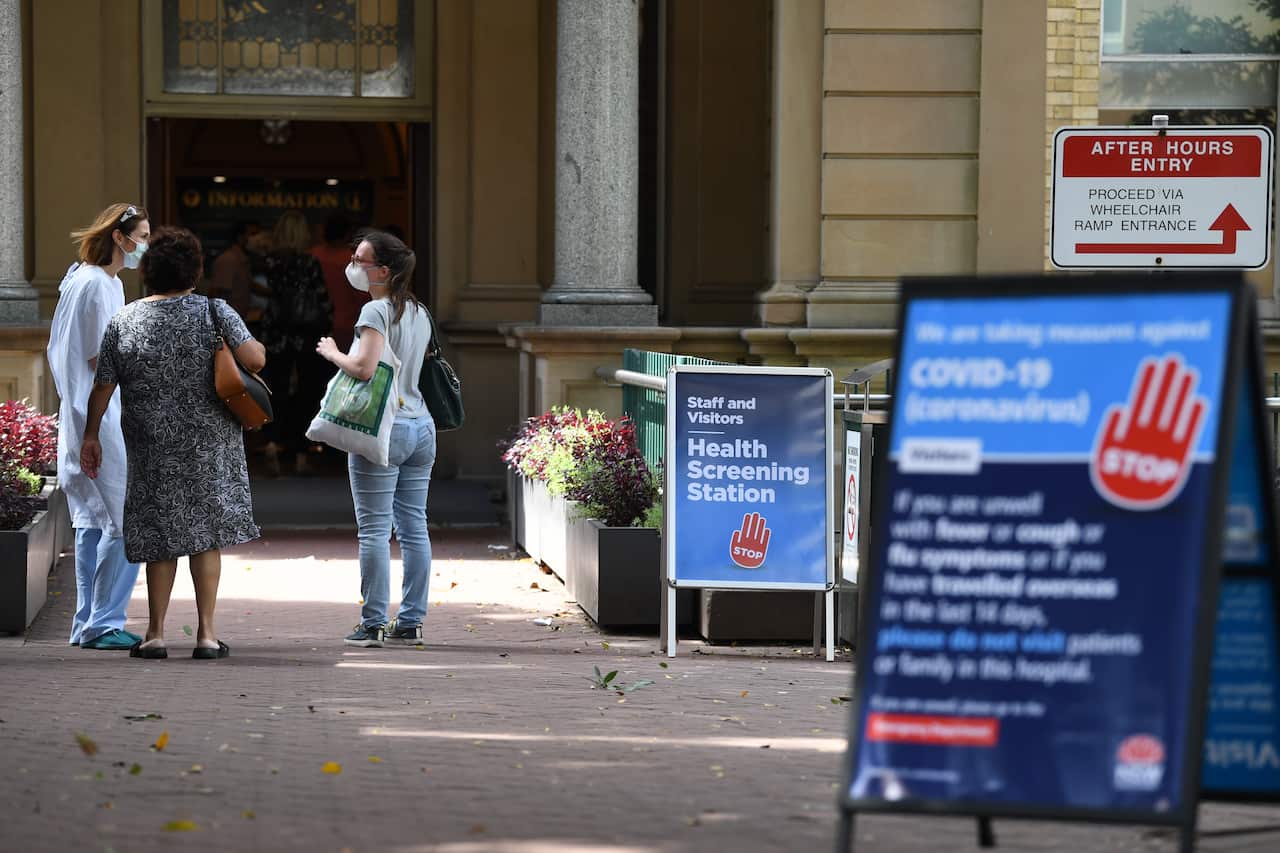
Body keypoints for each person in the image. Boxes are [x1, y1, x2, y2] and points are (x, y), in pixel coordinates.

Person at [80, 226, 266, 660]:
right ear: (196, 271)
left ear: (148, 272)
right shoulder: (214, 312)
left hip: (151, 443)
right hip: (210, 442)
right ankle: (205, 635)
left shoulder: (125, 319)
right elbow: (255, 359)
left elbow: (103, 386)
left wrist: (91, 435)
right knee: (205, 536)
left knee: (159, 536)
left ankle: (156, 634)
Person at [316, 229, 435, 648]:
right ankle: (411, 621)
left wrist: (332, 352)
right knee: (414, 527)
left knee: (373, 530)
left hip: (383, 429)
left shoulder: (375, 313)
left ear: (383, 271)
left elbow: (364, 369)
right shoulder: (419, 311)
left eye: (360, 260)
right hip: (421, 425)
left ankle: (372, 623)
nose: (352, 265)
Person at [45, 203, 148, 651]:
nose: (145, 244)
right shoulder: (99, 285)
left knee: (90, 519)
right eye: (141, 235)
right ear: (120, 237)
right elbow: (101, 356)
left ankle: (87, 620)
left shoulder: (83, 279)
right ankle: (104, 622)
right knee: (127, 518)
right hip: (100, 415)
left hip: (78, 409)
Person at [260, 210, 332, 476]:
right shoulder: (309, 261)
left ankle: (271, 442)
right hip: (305, 334)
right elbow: (321, 297)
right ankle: (301, 451)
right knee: (306, 391)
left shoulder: (271, 261)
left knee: (275, 388)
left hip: (276, 332)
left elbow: (271, 292)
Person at [311, 212, 369, 354]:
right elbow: (363, 298)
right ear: (348, 233)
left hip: (314, 326)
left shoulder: (312, 256)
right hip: (347, 327)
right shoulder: (354, 261)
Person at [207, 221, 257, 317]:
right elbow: (215, 293)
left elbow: (250, 285)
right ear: (240, 237)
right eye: (252, 235)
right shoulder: (229, 260)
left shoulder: (242, 260)